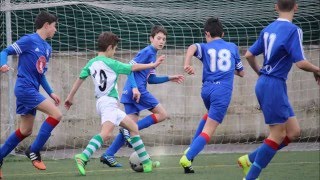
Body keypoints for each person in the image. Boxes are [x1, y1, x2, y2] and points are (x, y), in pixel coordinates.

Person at [237, 0, 320, 179]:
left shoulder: (267, 29)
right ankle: (250, 177)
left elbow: (249, 54)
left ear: (276, 7)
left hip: (269, 84)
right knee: (277, 134)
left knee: (294, 132)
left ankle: (249, 159)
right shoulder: (294, 30)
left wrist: (260, 73)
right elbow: (300, 63)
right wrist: (317, 69)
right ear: (296, 7)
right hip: (273, 85)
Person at [64, 31, 165, 176]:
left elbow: (80, 79)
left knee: (133, 128)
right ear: (110, 47)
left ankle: (146, 162)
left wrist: (70, 97)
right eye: (115, 48)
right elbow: (133, 68)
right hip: (109, 104)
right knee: (105, 134)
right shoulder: (112, 63)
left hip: (101, 103)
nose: (115, 51)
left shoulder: (91, 63)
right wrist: (153, 64)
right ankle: (83, 156)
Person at [99, 25, 184, 167]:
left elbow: (151, 79)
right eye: (158, 38)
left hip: (132, 91)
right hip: (137, 91)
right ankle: (129, 131)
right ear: (151, 38)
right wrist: (135, 88)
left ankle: (108, 154)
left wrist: (169, 77)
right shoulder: (147, 51)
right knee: (162, 114)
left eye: (164, 39)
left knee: (128, 127)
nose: (161, 41)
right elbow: (129, 69)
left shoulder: (153, 55)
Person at [179, 17, 244, 174]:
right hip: (222, 93)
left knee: (209, 116)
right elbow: (241, 72)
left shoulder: (206, 47)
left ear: (207, 33)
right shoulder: (232, 47)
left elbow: (192, 47)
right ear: (222, 33)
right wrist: (228, 70)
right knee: (209, 129)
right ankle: (187, 157)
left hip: (206, 90)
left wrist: (187, 64)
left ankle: (192, 148)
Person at [0, 11, 60, 178]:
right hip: (24, 89)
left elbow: (40, 75)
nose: (55, 30)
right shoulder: (28, 40)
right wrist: (2, 64)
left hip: (32, 89)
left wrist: (52, 92)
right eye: (54, 26)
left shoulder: (47, 48)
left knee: (25, 130)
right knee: (56, 114)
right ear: (47, 25)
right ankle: (34, 151)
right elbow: (4, 52)